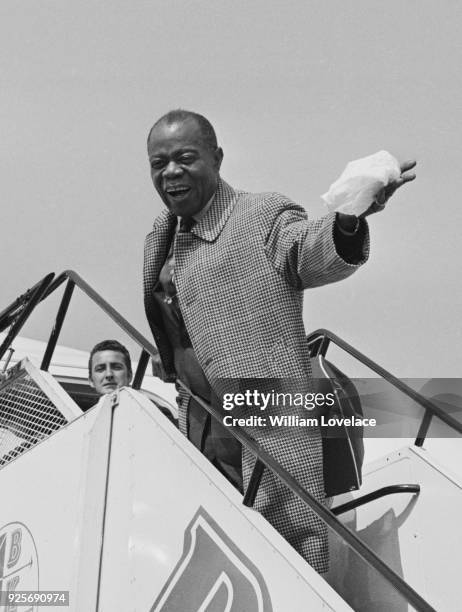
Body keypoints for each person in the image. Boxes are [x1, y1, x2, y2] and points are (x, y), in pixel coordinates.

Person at [143, 109, 416, 572]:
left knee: (288, 563)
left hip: (266, 429)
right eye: (158, 163)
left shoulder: (260, 215)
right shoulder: (160, 236)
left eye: (185, 158)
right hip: (201, 434)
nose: (171, 172)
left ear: (217, 158)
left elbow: (307, 251)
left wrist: (347, 219)